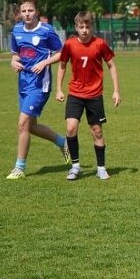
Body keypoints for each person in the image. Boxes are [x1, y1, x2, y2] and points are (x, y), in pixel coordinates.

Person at [6, 0, 69, 180]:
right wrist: (13, 62)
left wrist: (45, 63)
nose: (27, 14)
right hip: (23, 84)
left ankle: (19, 168)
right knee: (30, 126)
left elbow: (61, 53)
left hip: (40, 85)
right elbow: (16, 55)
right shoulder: (16, 31)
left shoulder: (46, 30)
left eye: (30, 10)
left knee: (22, 124)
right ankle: (63, 142)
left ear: (37, 11)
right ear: (19, 12)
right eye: (23, 10)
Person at [56, 11, 121, 181]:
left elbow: (111, 66)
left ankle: (101, 168)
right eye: (81, 27)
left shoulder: (100, 44)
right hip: (75, 94)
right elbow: (62, 65)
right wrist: (58, 89)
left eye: (87, 27)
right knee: (70, 128)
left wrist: (116, 90)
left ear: (92, 27)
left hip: (94, 95)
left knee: (97, 131)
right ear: (76, 27)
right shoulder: (69, 45)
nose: (84, 30)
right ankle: (75, 166)